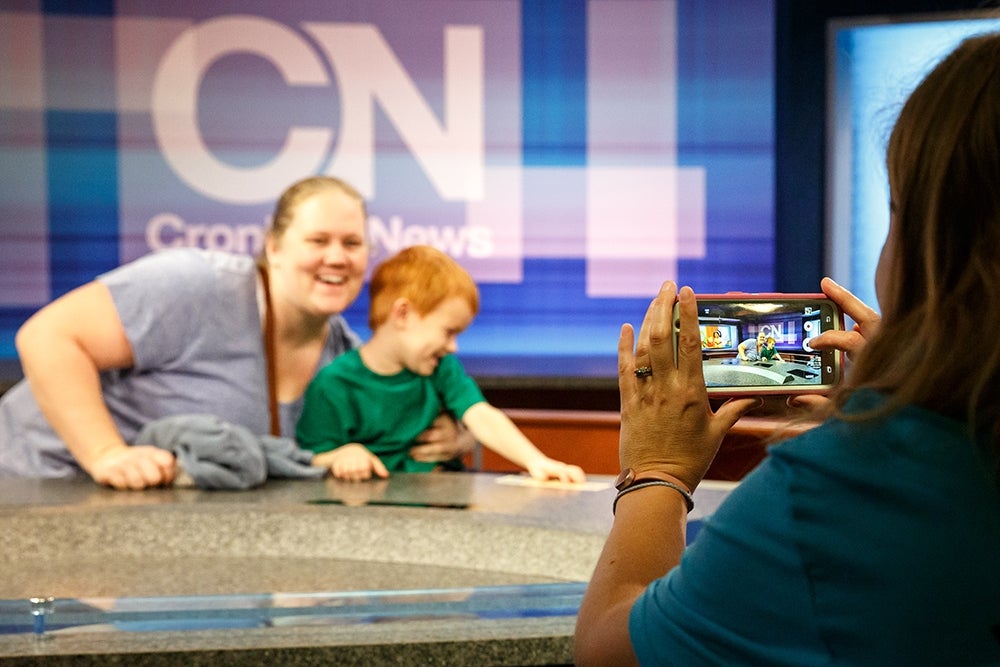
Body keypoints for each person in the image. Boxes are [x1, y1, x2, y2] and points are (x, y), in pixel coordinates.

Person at [575, 32, 1000, 666]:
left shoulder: (844, 492)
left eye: (897, 213)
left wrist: (658, 471)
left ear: (934, 247)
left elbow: (608, 650)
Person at [0, 176, 470, 489]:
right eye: (318, 241)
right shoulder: (198, 284)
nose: (337, 257)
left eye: (352, 243)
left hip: (144, 524)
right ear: (274, 247)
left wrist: (455, 438)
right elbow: (47, 337)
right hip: (31, 483)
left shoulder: (345, 357)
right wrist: (106, 453)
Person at [297, 245, 586, 484]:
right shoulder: (334, 384)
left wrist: (536, 461)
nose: (453, 347)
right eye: (449, 332)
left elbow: (481, 415)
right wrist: (341, 456)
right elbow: (308, 458)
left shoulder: (441, 369)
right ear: (403, 314)